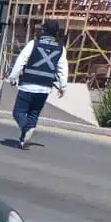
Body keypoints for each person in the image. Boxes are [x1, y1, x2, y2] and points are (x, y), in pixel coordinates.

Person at [6, 19, 67, 148]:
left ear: (44, 30)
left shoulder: (33, 43)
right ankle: (24, 139)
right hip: (45, 88)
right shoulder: (61, 48)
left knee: (18, 112)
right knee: (34, 113)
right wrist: (63, 87)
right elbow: (62, 70)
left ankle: (26, 128)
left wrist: (13, 77)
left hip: (28, 84)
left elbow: (21, 61)